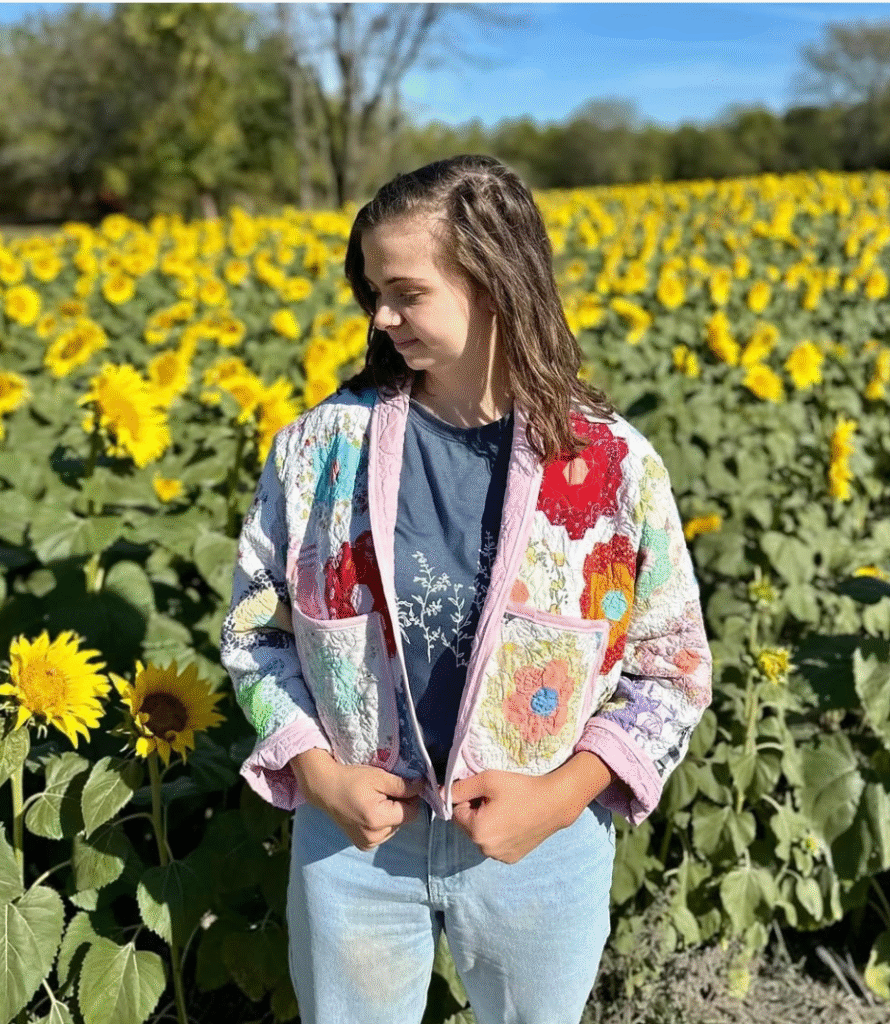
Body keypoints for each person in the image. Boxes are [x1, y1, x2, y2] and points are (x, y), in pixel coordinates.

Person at [220, 154, 712, 1024]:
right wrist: (318, 774)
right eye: (373, 290)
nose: (381, 315)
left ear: (494, 282)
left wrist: (562, 796)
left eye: (407, 292)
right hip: (354, 843)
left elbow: (671, 670)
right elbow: (256, 632)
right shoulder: (317, 451)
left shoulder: (611, 467)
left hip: (542, 846)